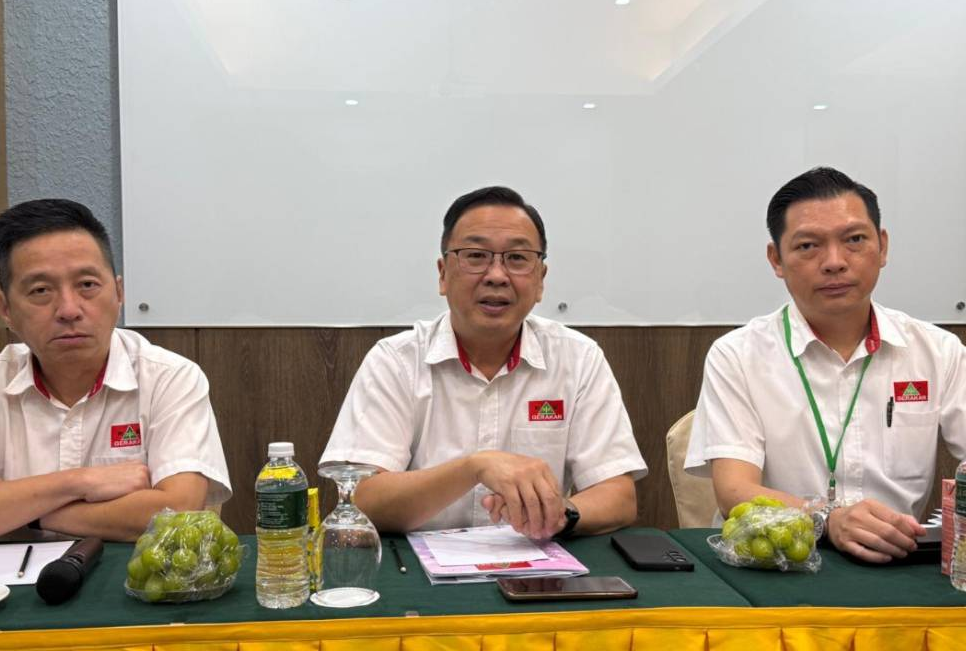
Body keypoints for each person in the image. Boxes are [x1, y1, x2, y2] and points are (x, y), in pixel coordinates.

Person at [320, 186, 646, 539]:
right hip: (418, 573)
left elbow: (619, 496)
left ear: (540, 281)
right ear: (443, 274)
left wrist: (559, 513)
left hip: (538, 572)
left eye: (517, 259)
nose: (496, 275)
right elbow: (361, 499)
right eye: (476, 256)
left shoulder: (578, 358)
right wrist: (473, 468)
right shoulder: (395, 361)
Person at [685, 167, 965, 563]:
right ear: (776, 259)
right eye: (808, 246)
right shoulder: (738, 355)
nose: (835, 262)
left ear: (882, 247)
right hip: (777, 564)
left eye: (854, 240)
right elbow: (735, 491)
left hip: (897, 562)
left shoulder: (938, 351)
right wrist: (827, 519)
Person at [0, 199, 232, 542]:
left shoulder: (169, 378)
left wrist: (21, 507)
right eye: (40, 290)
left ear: (119, 292)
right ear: (5, 309)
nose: (68, 309)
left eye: (87, 285)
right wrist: (82, 482)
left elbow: (179, 511)